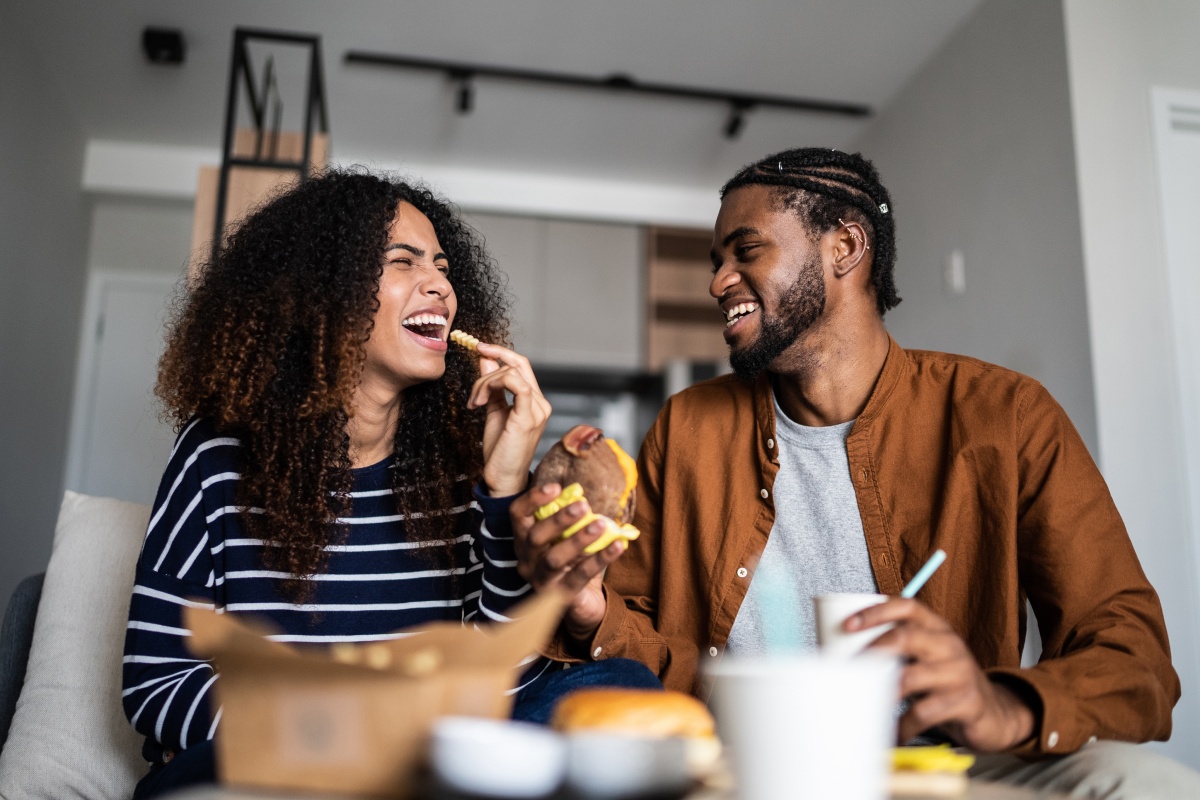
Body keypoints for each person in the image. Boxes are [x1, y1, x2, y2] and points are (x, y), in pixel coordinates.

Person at [512, 148, 1200, 796]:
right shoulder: (688, 425)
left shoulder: (1006, 415)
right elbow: (642, 652)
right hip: (737, 756)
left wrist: (1003, 706)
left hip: (939, 759)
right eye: (716, 260)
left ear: (844, 247)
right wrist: (588, 601)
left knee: (1146, 784)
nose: (718, 282)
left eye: (745, 251)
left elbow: (1131, 654)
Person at [122, 171, 657, 800]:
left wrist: (505, 484)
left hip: (428, 759)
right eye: (403, 261)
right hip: (283, 760)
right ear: (324, 294)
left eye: (442, 266)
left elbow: (503, 686)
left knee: (618, 686)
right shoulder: (218, 457)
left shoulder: (459, 466)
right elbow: (156, 683)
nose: (440, 285)